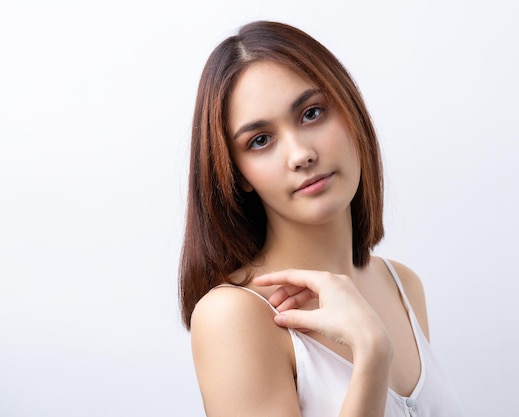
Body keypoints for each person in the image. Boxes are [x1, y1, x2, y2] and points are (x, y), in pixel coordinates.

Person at [179, 20, 464, 417]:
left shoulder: (402, 285)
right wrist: (370, 352)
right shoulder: (234, 317)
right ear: (237, 173)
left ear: (351, 114)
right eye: (260, 141)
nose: (300, 154)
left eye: (312, 113)